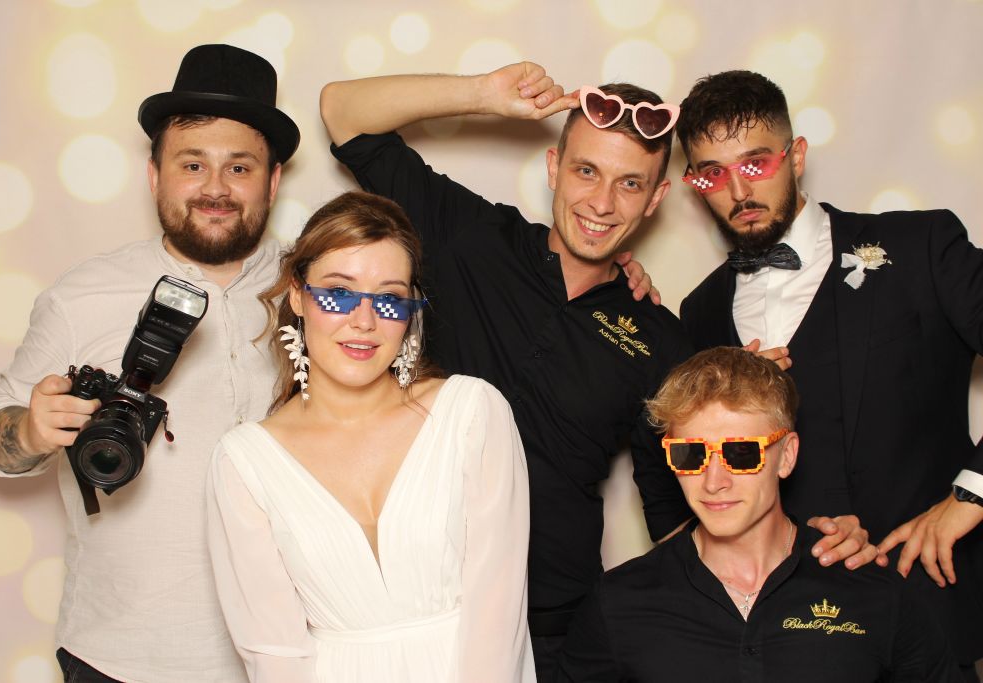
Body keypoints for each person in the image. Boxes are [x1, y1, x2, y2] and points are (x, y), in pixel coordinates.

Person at [319, 62, 874, 680]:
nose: (602, 204)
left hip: (552, 627)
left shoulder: (661, 338)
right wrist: (483, 95)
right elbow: (343, 112)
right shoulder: (471, 236)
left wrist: (809, 552)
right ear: (554, 168)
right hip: (409, 604)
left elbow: (681, 514)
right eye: (586, 171)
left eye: (630, 183)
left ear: (656, 198)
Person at [0, 44, 297, 682]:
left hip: (285, 656)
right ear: (154, 175)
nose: (215, 189)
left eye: (239, 167)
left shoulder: (320, 291)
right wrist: (32, 430)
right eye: (192, 164)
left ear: (273, 180)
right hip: (118, 657)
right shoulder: (81, 296)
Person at [675, 70, 983, 677]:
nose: (738, 189)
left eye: (756, 163)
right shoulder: (700, 311)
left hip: (930, 607)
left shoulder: (920, 245)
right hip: (785, 636)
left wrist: (969, 496)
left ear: (796, 157)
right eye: (712, 173)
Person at [206, 190, 534, 682]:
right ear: (297, 295)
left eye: (389, 299)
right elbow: (274, 655)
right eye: (338, 293)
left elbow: (499, 613)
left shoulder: (471, 414)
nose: (364, 321)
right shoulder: (245, 462)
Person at [558, 347, 962, 682]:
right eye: (690, 454)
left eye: (741, 453)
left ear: (786, 456)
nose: (714, 482)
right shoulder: (619, 604)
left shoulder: (872, 593)